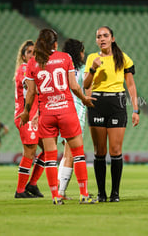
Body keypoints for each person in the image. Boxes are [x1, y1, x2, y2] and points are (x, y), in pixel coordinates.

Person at [17, 28, 98, 205]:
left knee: (51, 157)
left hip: (47, 113)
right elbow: (74, 86)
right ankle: (84, 194)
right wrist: (84, 99)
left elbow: (30, 93)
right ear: (55, 43)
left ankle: (55, 196)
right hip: (67, 111)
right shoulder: (65, 58)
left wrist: (26, 111)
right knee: (78, 154)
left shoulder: (32, 63)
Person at [83, 26, 140, 202]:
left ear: (112, 38)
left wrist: (136, 109)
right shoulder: (92, 58)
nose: (102, 39)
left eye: (105, 35)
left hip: (117, 103)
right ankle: (101, 193)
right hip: (97, 103)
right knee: (100, 151)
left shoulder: (123, 58)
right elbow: (85, 84)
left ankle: (115, 193)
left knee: (115, 150)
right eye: (99, 36)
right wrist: (92, 69)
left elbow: (130, 85)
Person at [13, 40, 45, 198]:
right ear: (24, 56)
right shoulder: (24, 69)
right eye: (29, 52)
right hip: (26, 115)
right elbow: (33, 90)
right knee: (30, 152)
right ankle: (20, 191)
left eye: (35, 52)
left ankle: (32, 184)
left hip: (36, 116)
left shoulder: (35, 70)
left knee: (47, 149)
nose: (33, 55)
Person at [56, 39, 87, 199]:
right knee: (72, 154)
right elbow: (86, 88)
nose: (83, 54)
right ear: (78, 52)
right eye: (82, 51)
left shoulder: (60, 67)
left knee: (66, 152)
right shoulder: (82, 68)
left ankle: (61, 189)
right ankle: (60, 192)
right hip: (75, 111)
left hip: (59, 109)